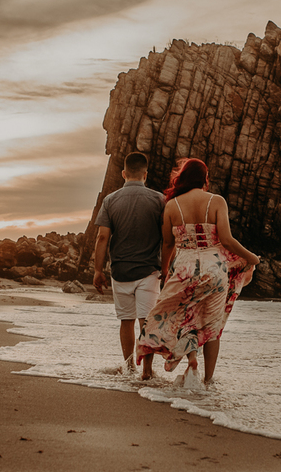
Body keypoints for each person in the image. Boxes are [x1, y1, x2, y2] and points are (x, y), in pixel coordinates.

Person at [136, 158, 260, 386]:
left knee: (179, 315)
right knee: (212, 326)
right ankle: (208, 380)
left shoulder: (172, 205)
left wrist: (165, 270)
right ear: (204, 178)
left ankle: (186, 360)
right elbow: (227, 240)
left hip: (184, 269)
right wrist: (251, 257)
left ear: (182, 178)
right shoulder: (217, 201)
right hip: (215, 269)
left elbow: (167, 243)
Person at [93, 152, 164, 378]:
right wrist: (168, 268)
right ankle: (147, 370)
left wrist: (98, 270)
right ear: (145, 174)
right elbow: (167, 238)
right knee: (147, 322)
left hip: (120, 271)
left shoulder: (110, 200)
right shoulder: (160, 200)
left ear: (124, 173)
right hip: (149, 271)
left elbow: (102, 237)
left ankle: (129, 366)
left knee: (126, 321)